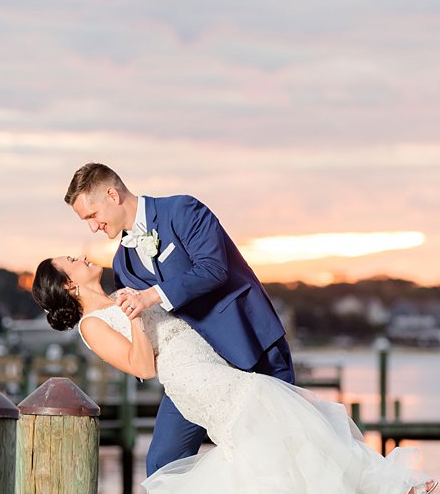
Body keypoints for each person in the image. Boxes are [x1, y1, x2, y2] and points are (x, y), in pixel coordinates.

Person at [32, 254, 436, 494]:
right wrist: (137, 317)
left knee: (274, 455)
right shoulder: (93, 324)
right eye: (70, 261)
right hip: (196, 382)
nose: (81, 256)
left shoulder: (125, 290)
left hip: (214, 369)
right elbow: (142, 367)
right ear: (68, 284)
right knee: (293, 415)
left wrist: (141, 301)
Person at [63, 163, 292, 477]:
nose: (93, 228)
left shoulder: (182, 210)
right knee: (162, 464)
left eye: (92, 216)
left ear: (112, 195)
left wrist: (152, 295)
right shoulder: (122, 265)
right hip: (193, 370)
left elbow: (214, 269)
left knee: (283, 450)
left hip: (249, 345)